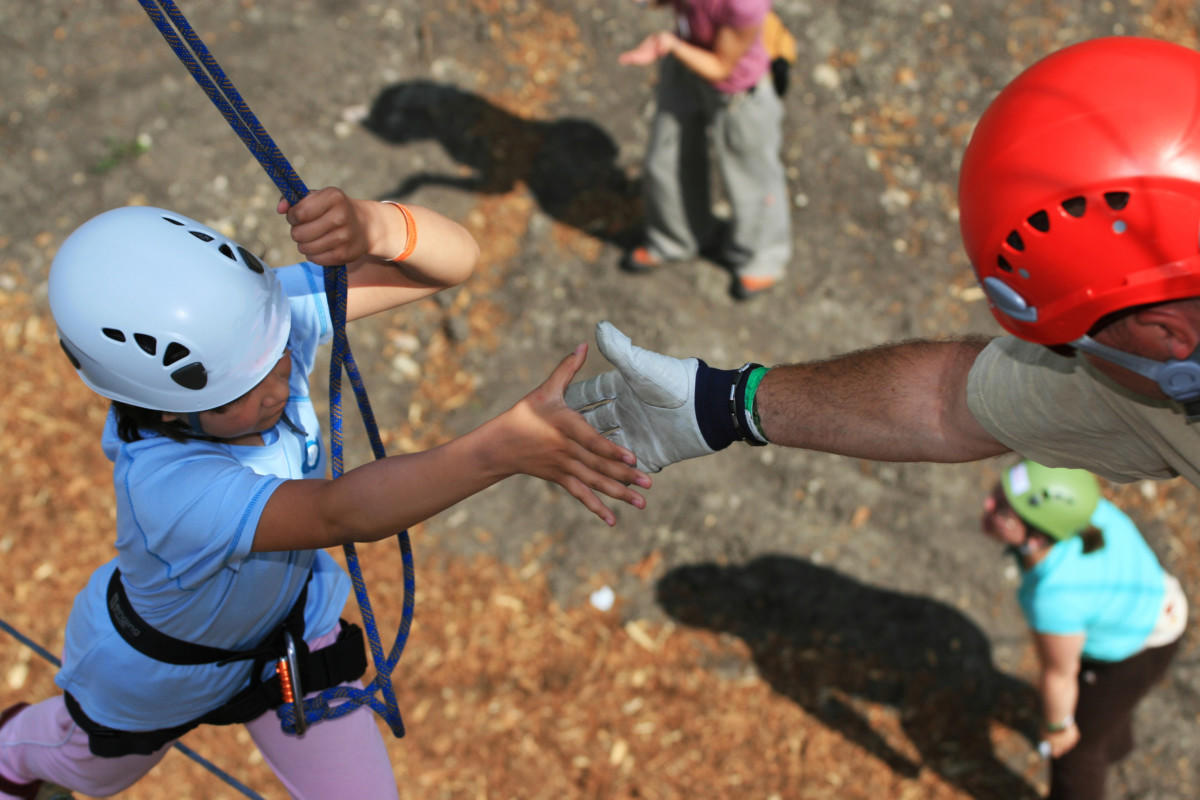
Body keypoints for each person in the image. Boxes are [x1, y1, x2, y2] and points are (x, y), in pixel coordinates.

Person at [0, 187, 650, 800]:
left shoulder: (256, 329)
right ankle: (9, 755)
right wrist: (497, 451)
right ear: (168, 413)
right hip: (161, 671)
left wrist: (378, 227)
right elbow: (342, 511)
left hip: (290, 628)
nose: (278, 384)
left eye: (280, 354)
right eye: (241, 394)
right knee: (95, 771)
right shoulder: (169, 492)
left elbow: (450, 266)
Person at [566, 36, 1200, 488]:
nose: (1068, 362)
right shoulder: (1152, 379)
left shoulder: (1158, 379)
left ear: (1166, 335)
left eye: (1067, 344)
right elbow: (951, 400)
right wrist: (720, 401)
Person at [980, 460, 1185, 799]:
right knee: (1104, 711)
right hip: (1158, 605)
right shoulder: (1085, 510)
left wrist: (1057, 728)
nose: (988, 505)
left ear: (1037, 537)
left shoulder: (1054, 594)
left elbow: (1059, 675)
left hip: (1141, 647)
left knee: (1076, 752)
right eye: (998, 494)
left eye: (1004, 511)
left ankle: (1099, 744)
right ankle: (1113, 742)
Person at [618, 0, 792, 299]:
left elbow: (721, 67)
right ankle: (676, 239)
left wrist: (668, 44)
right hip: (686, 60)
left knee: (752, 178)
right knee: (665, 159)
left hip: (737, 87)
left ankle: (762, 259)